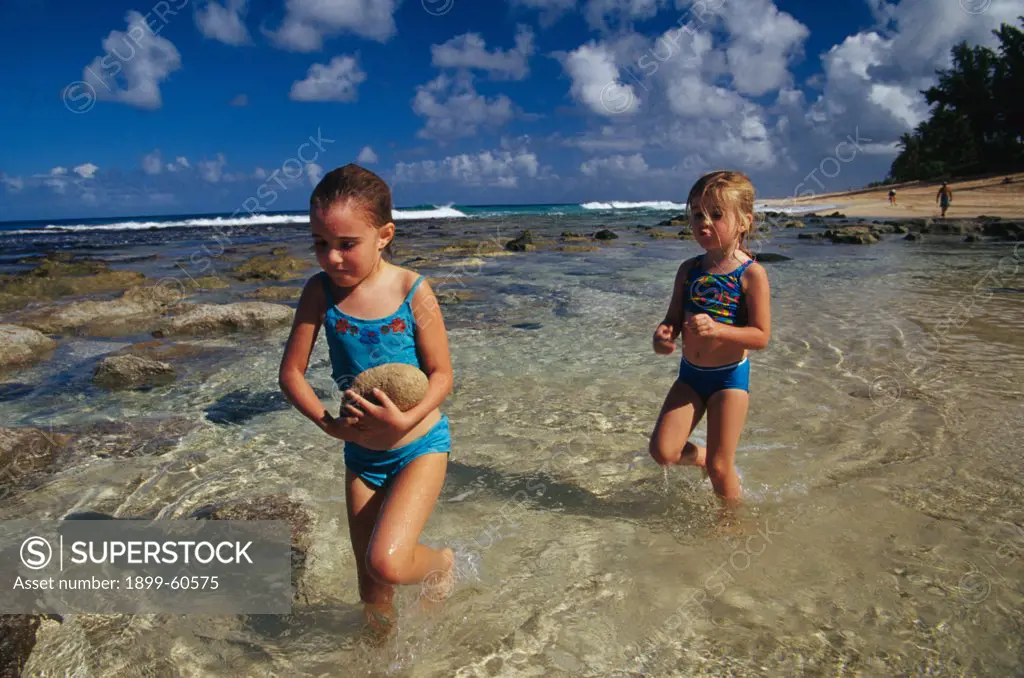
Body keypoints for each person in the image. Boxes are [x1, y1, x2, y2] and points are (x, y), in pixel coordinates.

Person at [278, 164, 455, 634]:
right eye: (320, 243)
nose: (332, 258)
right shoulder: (318, 292)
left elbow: (441, 375)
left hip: (419, 446)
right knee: (372, 589)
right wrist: (327, 423)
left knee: (390, 562)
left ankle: (441, 564)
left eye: (346, 244)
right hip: (361, 456)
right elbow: (291, 374)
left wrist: (406, 420)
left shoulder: (411, 289)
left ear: (384, 235)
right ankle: (377, 661)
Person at [649, 170, 772, 509]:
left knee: (721, 467)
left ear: (744, 221)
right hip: (690, 376)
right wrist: (663, 338)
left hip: (729, 379)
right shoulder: (688, 270)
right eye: (697, 214)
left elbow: (761, 336)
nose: (704, 223)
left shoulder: (751, 274)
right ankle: (703, 457)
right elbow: (672, 320)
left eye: (716, 215)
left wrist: (718, 329)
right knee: (663, 452)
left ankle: (731, 523)